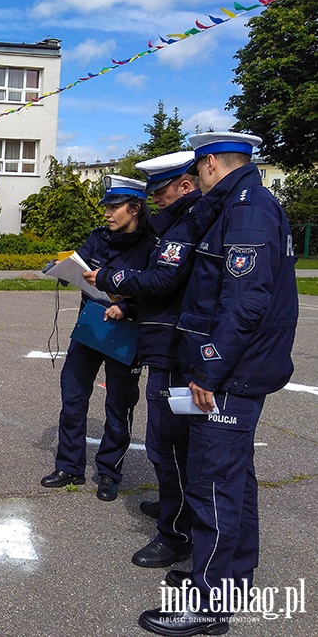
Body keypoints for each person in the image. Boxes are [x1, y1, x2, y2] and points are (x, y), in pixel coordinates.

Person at [138, 133, 299, 637]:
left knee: (213, 484)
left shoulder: (247, 210)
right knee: (234, 481)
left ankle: (210, 604)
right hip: (235, 369)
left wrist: (207, 369)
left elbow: (245, 302)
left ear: (208, 164)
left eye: (197, 167)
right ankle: (232, 578)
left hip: (229, 374)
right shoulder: (241, 202)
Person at [85, 152, 208, 568]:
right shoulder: (180, 221)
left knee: (168, 443)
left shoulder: (187, 224)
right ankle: (176, 510)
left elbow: (161, 280)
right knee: (171, 444)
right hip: (168, 343)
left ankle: (175, 534)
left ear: (185, 186)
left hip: (175, 348)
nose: (154, 199)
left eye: (160, 190)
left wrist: (110, 279)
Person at [41, 176, 154, 501]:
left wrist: (129, 306)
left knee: (119, 405)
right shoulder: (99, 238)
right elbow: (80, 263)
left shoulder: (151, 245)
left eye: (114, 206)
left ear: (135, 208)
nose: (107, 212)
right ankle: (70, 466)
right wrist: (62, 270)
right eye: (105, 206)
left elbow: (160, 286)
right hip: (91, 327)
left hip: (125, 332)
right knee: (73, 396)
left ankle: (109, 472)